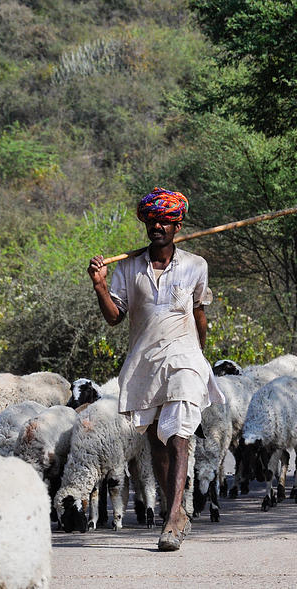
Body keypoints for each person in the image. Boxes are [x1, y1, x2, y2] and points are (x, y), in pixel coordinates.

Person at [87, 187, 223, 552]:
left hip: (184, 360)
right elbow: (115, 317)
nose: (158, 225)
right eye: (153, 220)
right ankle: (174, 510)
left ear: (177, 224)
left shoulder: (196, 266)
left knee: (179, 435)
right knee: (157, 443)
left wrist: (200, 355)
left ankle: (171, 520)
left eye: (165, 220)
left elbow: (199, 313)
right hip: (145, 363)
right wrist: (99, 285)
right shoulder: (128, 268)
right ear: (146, 223)